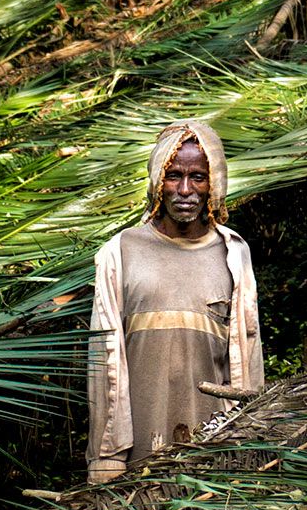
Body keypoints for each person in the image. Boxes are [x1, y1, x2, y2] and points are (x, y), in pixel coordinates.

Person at [86, 117, 264, 484]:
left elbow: (248, 355)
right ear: (157, 182)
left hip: (213, 445)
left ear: (214, 183)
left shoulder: (233, 254)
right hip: (138, 449)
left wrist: (248, 439)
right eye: (173, 176)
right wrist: (107, 459)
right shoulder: (120, 252)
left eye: (197, 176)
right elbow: (104, 360)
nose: (185, 189)